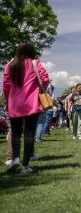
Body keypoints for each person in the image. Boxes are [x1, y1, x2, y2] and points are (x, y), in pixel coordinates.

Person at [2, 43, 50, 174]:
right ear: (31, 51)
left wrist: (7, 100)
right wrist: (41, 88)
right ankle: (25, 166)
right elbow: (45, 79)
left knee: (16, 133)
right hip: (32, 104)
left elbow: (5, 86)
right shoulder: (35, 63)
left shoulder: (10, 65)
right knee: (29, 134)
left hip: (14, 104)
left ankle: (15, 158)